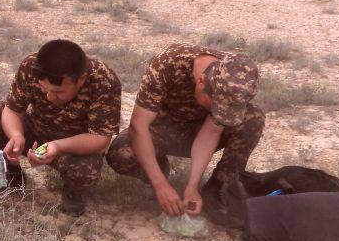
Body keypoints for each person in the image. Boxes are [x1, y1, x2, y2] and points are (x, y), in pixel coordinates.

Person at [106, 43, 263, 222]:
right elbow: (138, 125)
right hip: (163, 130)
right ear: (201, 81)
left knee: (253, 118)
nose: (218, 112)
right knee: (122, 154)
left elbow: (210, 133)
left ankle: (216, 189)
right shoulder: (168, 63)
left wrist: (192, 186)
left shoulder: (235, 79)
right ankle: (157, 171)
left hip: (199, 131)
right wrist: (160, 184)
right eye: (215, 107)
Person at [0, 39, 121, 216]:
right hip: (35, 127)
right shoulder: (31, 66)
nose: (49, 97)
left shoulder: (104, 80)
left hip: (73, 141)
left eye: (58, 92)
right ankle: (10, 169)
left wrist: (57, 146)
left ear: (81, 80)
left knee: (87, 170)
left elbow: (100, 139)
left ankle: (72, 192)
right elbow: (12, 110)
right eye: (43, 88)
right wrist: (16, 136)